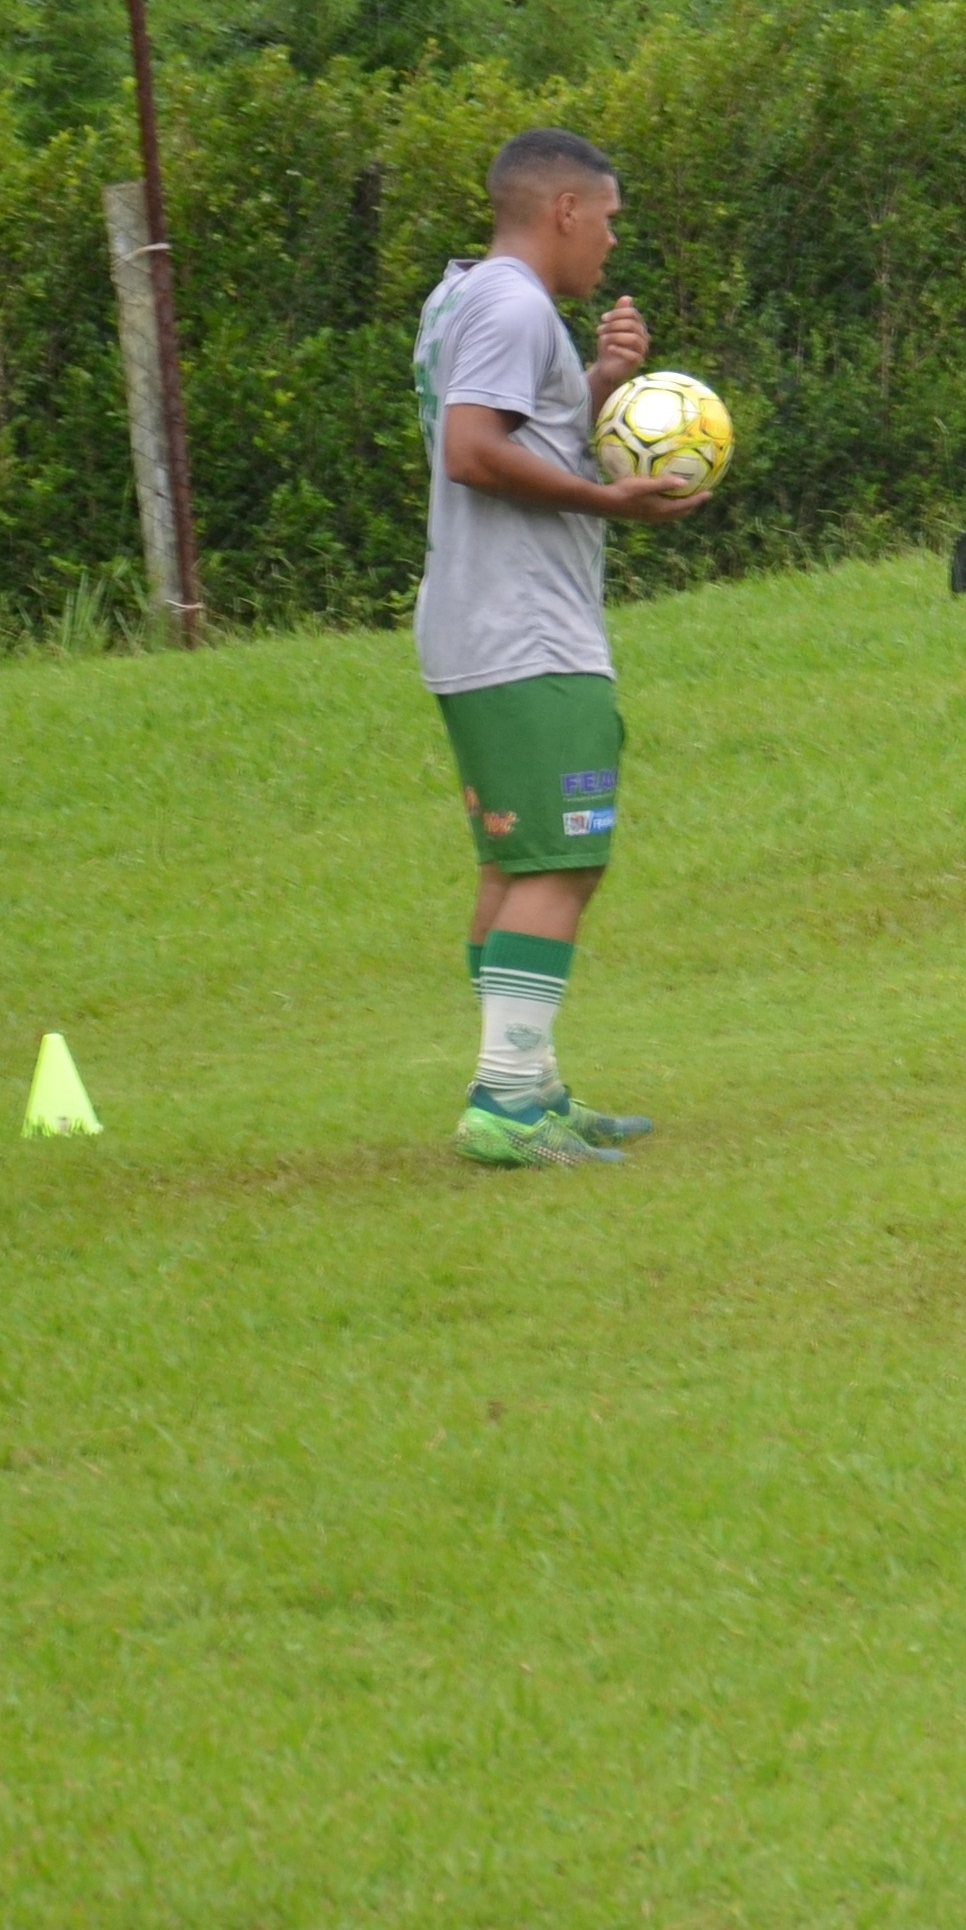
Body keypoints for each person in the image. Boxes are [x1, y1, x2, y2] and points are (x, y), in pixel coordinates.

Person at [414, 130, 708, 1168]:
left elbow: (518, 427)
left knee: (516, 856)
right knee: (561, 859)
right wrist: (608, 499)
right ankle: (505, 1106)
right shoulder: (510, 302)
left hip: (479, 621)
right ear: (565, 211)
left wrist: (601, 378)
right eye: (611, 219)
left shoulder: (464, 297)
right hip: (524, 627)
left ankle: (529, 1086)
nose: (612, 244)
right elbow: (472, 451)